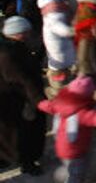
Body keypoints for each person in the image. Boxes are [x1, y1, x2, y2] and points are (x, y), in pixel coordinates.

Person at [37, 76, 96, 183]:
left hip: (64, 147)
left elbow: (46, 105)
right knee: (76, 173)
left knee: (74, 166)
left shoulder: (59, 104)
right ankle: (71, 178)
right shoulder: (82, 113)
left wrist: (38, 102)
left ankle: (72, 175)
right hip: (76, 150)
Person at [0, 16, 46, 175]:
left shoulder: (15, 48)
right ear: (18, 33)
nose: (29, 34)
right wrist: (39, 101)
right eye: (25, 31)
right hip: (19, 100)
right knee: (26, 133)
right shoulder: (9, 53)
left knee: (11, 134)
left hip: (15, 99)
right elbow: (23, 80)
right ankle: (27, 162)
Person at [38, 0, 76, 94]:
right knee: (59, 71)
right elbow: (57, 26)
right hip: (58, 45)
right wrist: (74, 31)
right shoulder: (54, 8)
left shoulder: (53, 2)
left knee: (60, 68)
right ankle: (58, 93)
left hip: (58, 43)